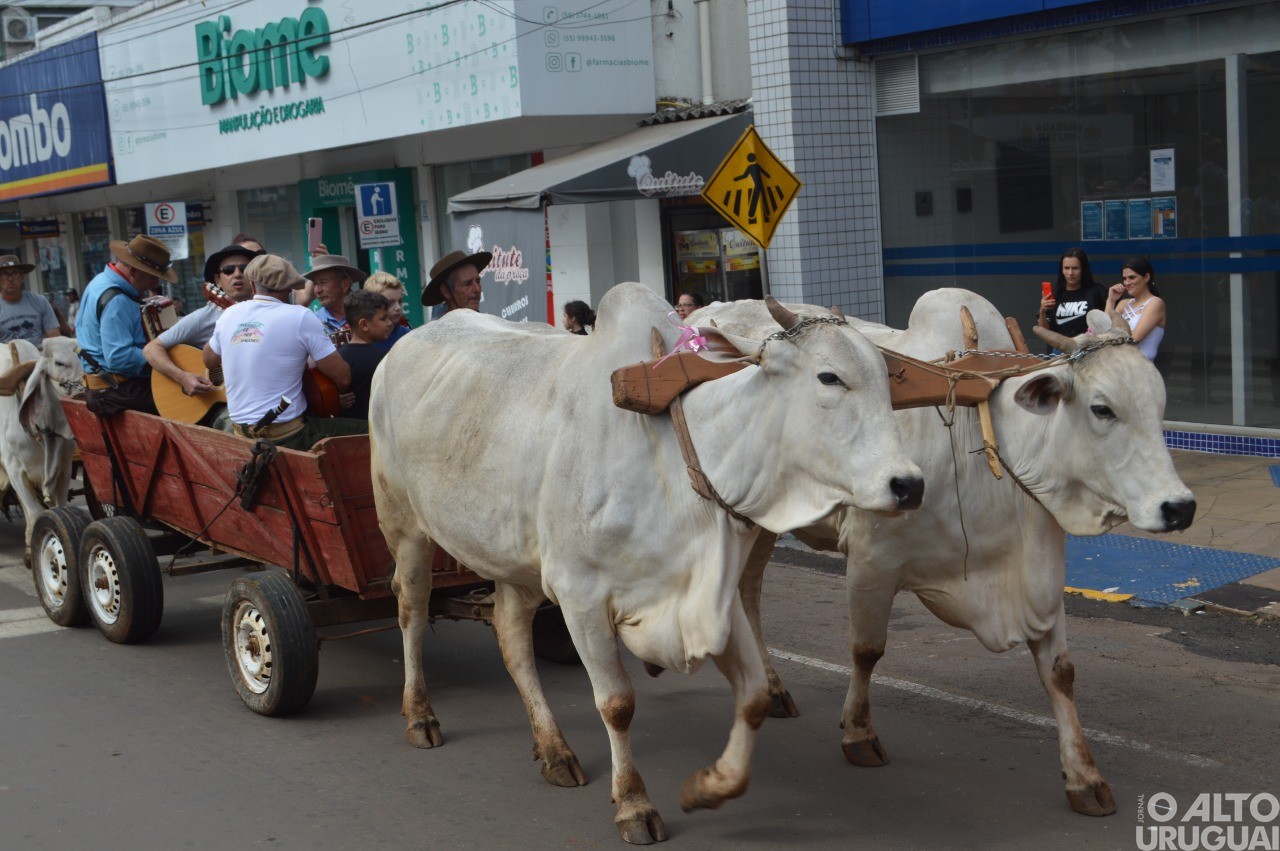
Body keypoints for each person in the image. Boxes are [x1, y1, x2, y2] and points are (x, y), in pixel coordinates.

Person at [204, 255, 364, 451]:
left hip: (239, 434)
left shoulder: (229, 314)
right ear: (289, 289)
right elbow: (344, 378)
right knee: (370, 431)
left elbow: (209, 360)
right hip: (288, 437)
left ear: (253, 286)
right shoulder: (300, 316)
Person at [144, 243, 262, 412]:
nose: (237, 274)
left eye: (244, 269)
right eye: (228, 270)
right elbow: (151, 349)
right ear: (217, 281)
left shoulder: (266, 311)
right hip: (219, 406)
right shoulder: (204, 317)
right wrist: (183, 377)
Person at [76, 234, 176, 416]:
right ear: (133, 272)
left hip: (107, 387)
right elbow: (119, 357)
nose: (156, 283)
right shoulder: (117, 301)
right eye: (153, 276)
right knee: (183, 399)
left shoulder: (100, 281)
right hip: (117, 390)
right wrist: (164, 356)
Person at [336, 290, 394, 419]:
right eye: (383, 318)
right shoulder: (383, 359)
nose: (389, 323)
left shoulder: (339, 356)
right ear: (364, 325)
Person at [1037, 247, 1107, 338]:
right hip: (1059, 349)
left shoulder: (1096, 291)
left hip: (1088, 349)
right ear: (1062, 270)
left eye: (1075, 268)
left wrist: (1112, 299)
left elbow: (1109, 320)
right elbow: (1044, 332)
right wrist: (1042, 311)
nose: (1070, 273)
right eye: (1066, 268)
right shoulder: (1054, 294)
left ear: (1083, 269)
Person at [1106, 257, 1166, 361]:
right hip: (1118, 366)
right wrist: (1111, 301)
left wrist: (1109, 337)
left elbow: (1134, 338)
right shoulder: (1123, 303)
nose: (1127, 283)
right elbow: (1103, 329)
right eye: (1124, 278)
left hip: (1141, 369)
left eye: (1132, 277)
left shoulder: (1155, 303)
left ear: (1146, 277)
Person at [0, 255, 61, 346]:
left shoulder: (40, 301)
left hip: (40, 356)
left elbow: (55, 338)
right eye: (5, 274)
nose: (10, 279)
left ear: (22, 276)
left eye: (14, 273)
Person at [305, 254, 366, 341]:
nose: (318, 290)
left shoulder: (366, 315)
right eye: (315, 284)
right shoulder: (313, 322)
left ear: (345, 285)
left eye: (323, 282)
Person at [422, 249, 490, 314]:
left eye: (478, 281)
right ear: (446, 291)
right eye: (467, 284)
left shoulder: (491, 324)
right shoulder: (441, 326)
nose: (477, 289)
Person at [362, 271, 412, 349]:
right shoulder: (362, 341)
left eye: (400, 301)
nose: (398, 307)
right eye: (390, 303)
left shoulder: (409, 336)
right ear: (371, 305)